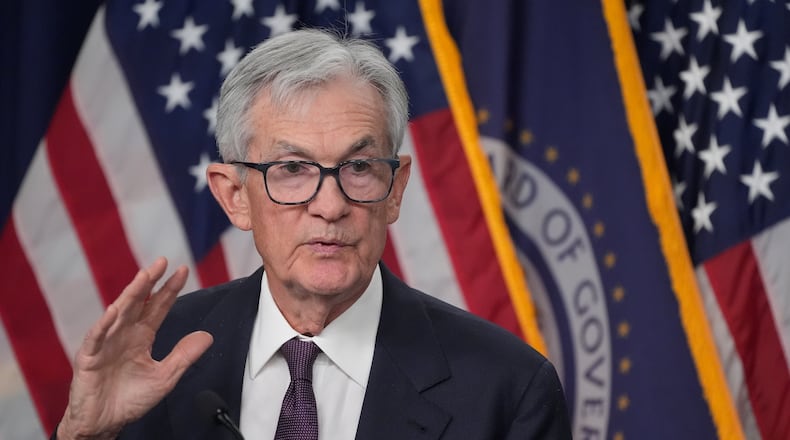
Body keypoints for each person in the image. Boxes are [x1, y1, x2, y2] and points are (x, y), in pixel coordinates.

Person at [54, 29, 571, 439]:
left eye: (360, 167)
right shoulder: (155, 356)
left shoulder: (507, 389)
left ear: (395, 190)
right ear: (234, 195)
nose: (330, 205)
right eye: (292, 169)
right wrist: (84, 437)